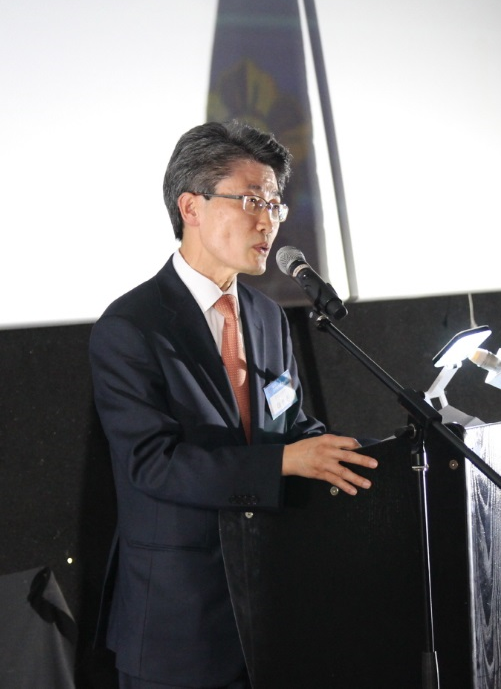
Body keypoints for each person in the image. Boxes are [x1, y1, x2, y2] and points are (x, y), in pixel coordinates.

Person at [89, 121, 377, 689]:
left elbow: (290, 423)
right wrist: (283, 464)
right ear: (191, 206)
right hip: (179, 627)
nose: (268, 219)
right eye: (251, 200)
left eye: (275, 203)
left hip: (270, 609)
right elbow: (153, 464)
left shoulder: (268, 317)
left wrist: (367, 455)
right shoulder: (131, 327)